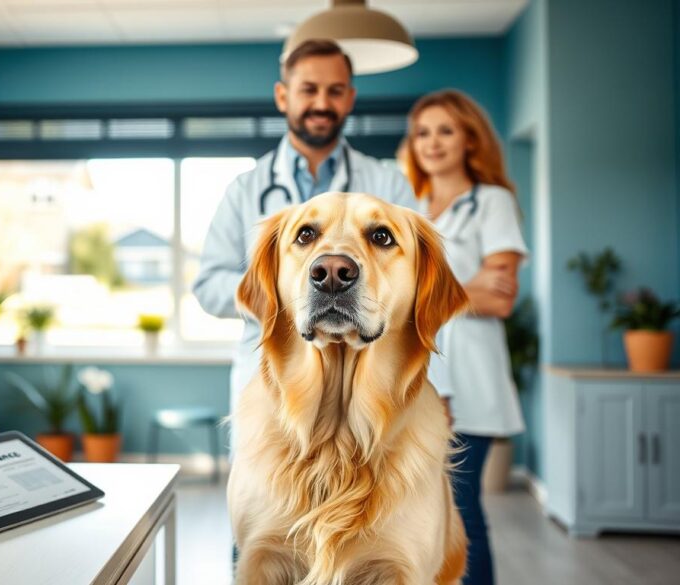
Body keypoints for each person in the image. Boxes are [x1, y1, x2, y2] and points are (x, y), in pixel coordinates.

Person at [192, 39, 415, 421]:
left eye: (335, 91)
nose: (322, 103)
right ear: (283, 96)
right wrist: (287, 293)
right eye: (309, 89)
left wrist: (437, 387)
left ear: (350, 99)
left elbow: (418, 281)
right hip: (270, 386)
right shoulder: (245, 189)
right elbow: (209, 285)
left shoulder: (388, 185)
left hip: (369, 391)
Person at [400, 89, 527, 585]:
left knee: (461, 506)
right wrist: (463, 288)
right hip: (417, 377)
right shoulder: (408, 209)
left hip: (473, 379)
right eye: (423, 133)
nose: (432, 143)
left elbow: (500, 299)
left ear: (469, 139)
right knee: (417, 513)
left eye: (445, 131)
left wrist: (421, 294)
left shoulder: (492, 203)